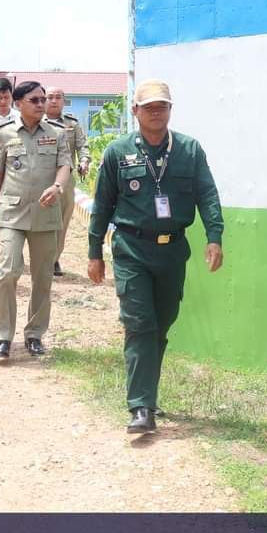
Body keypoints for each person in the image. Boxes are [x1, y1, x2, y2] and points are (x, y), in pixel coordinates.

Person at [87, 79, 224, 434]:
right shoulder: (118, 152)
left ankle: (147, 391)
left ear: (170, 110)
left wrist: (214, 237)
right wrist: (94, 252)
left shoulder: (189, 150)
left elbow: (207, 194)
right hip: (132, 249)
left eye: (162, 106)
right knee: (139, 324)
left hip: (172, 251)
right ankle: (141, 407)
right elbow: (102, 205)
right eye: (149, 107)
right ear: (135, 111)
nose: (156, 113)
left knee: (161, 325)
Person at [0, 81, 70, 359]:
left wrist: (57, 187)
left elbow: (64, 165)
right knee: (8, 271)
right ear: (18, 103)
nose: (41, 104)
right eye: (34, 100)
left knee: (42, 277)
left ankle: (34, 334)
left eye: (43, 99)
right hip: (11, 213)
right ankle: (3, 335)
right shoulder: (4, 133)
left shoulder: (57, 133)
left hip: (45, 214)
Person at [44, 87, 90, 276]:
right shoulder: (37, 122)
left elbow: (82, 146)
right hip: (40, 178)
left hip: (65, 180)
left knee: (62, 221)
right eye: (50, 97)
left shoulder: (72, 124)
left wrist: (84, 161)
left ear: (64, 101)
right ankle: (40, 257)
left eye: (58, 97)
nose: (54, 101)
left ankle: (54, 259)